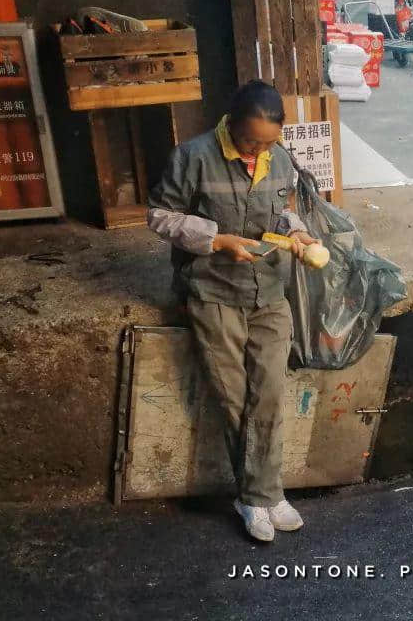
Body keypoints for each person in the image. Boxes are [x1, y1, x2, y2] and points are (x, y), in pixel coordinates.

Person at [147, 81, 319, 543]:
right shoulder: (193, 156)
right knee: (234, 398)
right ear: (231, 123)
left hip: (269, 291)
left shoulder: (279, 158)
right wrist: (217, 240)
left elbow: (283, 211)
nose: (258, 150)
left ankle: (258, 496)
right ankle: (262, 496)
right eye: (250, 141)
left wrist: (297, 233)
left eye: (268, 142)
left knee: (270, 394)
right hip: (213, 291)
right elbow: (160, 216)